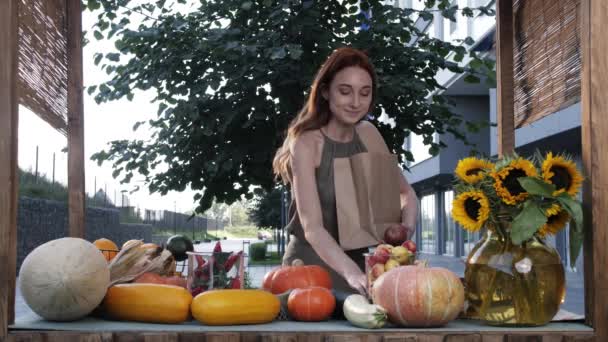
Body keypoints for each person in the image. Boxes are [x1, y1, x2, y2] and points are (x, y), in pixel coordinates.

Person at [272, 47, 418, 296]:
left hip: (364, 270)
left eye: (365, 93)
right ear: (326, 91)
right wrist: (353, 274)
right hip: (309, 272)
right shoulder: (306, 143)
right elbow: (313, 228)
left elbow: (406, 194)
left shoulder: (370, 135)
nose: (355, 102)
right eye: (345, 91)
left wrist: (404, 233)